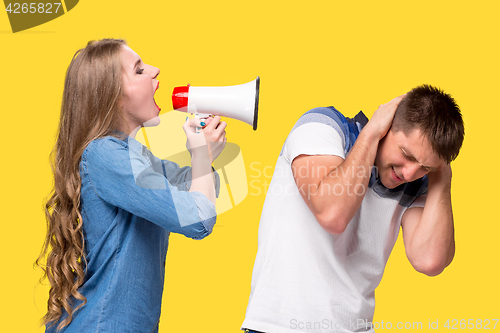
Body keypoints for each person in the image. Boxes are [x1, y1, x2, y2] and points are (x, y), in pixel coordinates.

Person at [36, 38, 227, 332]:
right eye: (139, 70)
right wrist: (202, 155)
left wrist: (203, 152)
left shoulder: (134, 156)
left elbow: (195, 187)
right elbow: (198, 219)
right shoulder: (105, 156)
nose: (155, 70)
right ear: (115, 97)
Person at [241, 85, 464, 333]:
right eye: (406, 154)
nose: (409, 173)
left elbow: (430, 260)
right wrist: (370, 134)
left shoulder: (418, 183)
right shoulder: (322, 127)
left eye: (425, 167)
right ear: (387, 125)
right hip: (279, 327)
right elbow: (332, 214)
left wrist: (441, 177)